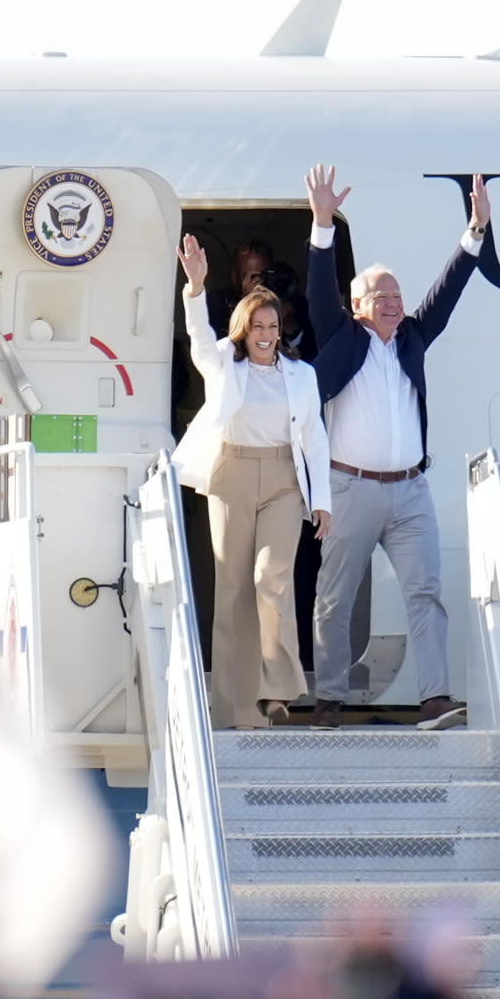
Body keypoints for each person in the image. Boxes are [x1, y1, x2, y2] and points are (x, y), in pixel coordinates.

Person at [303, 163, 489, 731]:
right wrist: (322, 224)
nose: (392, 302)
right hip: (350, 487)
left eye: (396, 294)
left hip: (410, 492)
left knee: (425, 592)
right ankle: (328, 698)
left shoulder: (411, 337)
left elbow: (447, 291)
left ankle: (434, 698)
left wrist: (474, 232)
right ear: (357, 304)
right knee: (334, 598)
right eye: (381, 295)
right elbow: (317, 289)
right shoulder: (340, 337)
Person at [174, 235, 334, 729]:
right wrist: (195, 287)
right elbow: (199, 337)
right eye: (257, 326)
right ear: (243, 330)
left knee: (272, 577)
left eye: (272, 325)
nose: (266, 333)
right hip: (232, 474)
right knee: (234, 589)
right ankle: (235, 707)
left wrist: (323, 500)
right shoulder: (223, 361)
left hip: (285, 478)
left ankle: (276, 689)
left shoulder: (301, 375)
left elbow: (316, 438)